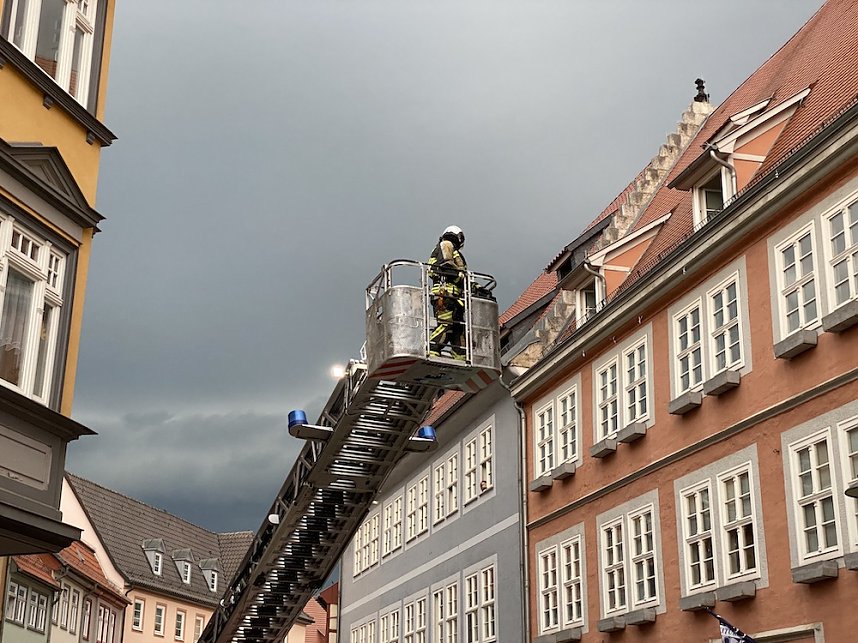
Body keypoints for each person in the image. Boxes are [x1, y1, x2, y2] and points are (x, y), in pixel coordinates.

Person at [428, 225, 467, 360]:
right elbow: (446, 267)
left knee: (458, 329)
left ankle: (460, 356)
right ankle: (432, 347)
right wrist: (460, 276)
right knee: (446, 324)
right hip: (445, 295)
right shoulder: (446, 245)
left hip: (455, 297)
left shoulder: (450, 249)